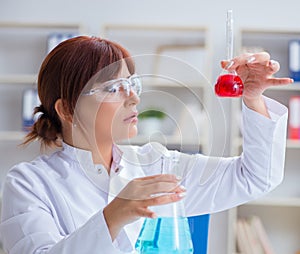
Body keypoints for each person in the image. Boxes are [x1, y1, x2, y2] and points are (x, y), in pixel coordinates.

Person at [0, 36, 292, 254]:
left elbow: (255, 177)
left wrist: (252, 98)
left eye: (132, 84)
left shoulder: (158, 163)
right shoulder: (29, 184)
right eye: (114, 88)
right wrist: (112, 216)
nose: (134, 98)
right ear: (66, 109)